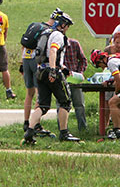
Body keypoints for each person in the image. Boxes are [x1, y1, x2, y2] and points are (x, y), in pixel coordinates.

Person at [22, 10, 81, 144]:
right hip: (51, 71)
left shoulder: (45, 33)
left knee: (42, 105)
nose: (67, 29)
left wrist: (63, 68)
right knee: (65, 102)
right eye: (67, 26)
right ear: (63, 25)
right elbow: (53, 51)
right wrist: (54, 70)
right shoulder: (58, 36)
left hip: (40, 71)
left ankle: (29, 132)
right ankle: (64, 133)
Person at [61, 18, 88, 133]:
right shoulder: (54, 47)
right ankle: (63, 129)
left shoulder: (74, 44)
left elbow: (83, 60)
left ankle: (83, 129)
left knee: (79, 105)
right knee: (62, 105)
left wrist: (79, 73)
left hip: (75, 79)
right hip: (61, 79)